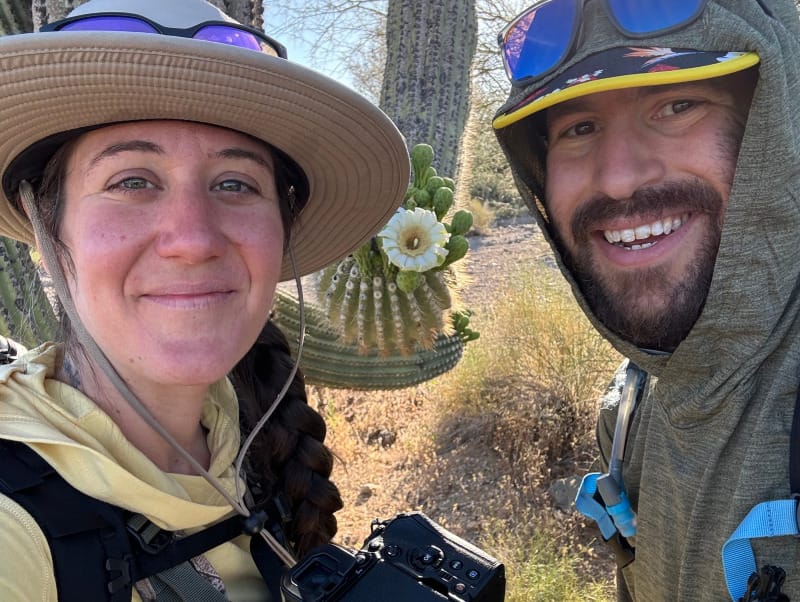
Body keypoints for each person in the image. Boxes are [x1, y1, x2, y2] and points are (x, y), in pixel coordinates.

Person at [0, 0, 409, 599]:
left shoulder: (244, 435)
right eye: (132, 181)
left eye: (235, 184)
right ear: (46, 232)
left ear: (283, 229)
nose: (193, 239)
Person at [492, 0, 800, 600]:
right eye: (579, 128)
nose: (618, 178)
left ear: (779, 127)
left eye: (678, 105)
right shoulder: (630, 409)